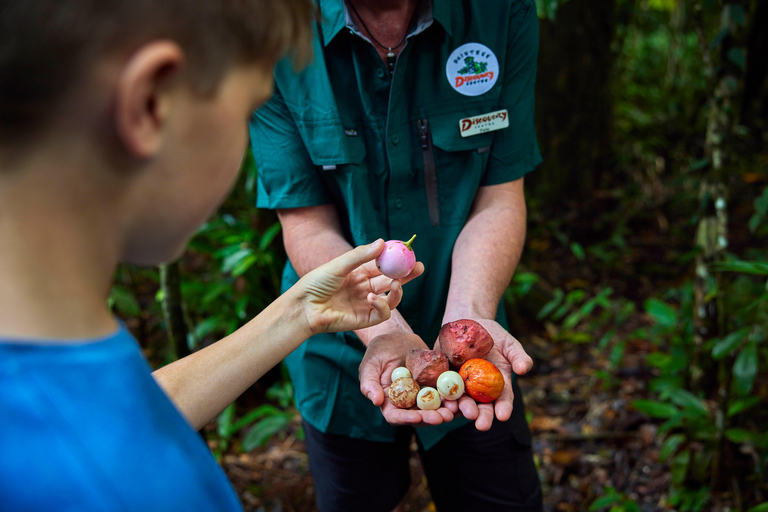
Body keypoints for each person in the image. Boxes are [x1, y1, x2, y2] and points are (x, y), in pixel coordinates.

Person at [0, 1, 424, 510]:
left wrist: (300, 313)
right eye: (247, 108)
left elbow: (115, 411)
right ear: (153, 104)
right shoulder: (126, 489)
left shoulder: (46, 376)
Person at [250, 0, 544, 510]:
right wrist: (383, 330)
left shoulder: (499, 12)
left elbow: (499, 195)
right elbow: (306, 221)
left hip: (474, 329)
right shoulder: (271, 29)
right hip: (340, 346)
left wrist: (468, 321)